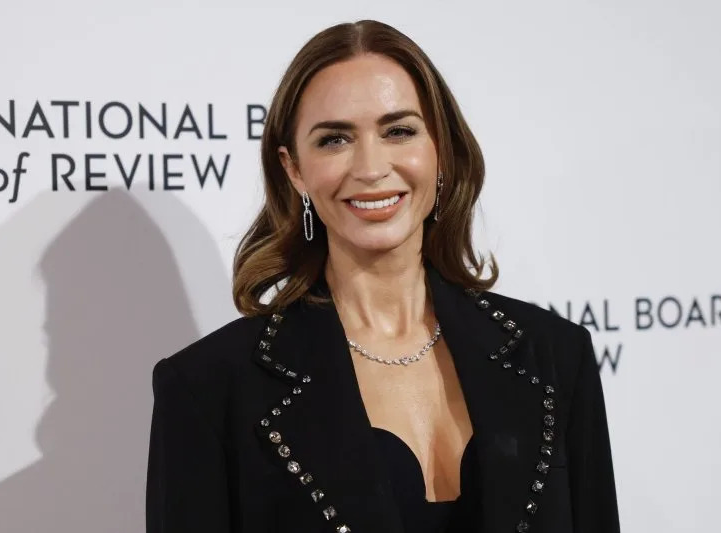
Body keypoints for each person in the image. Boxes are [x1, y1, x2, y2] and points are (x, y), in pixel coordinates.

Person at [145, 19, 620, 533]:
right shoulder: (209, 389)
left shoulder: (554, 355)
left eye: (398, 131)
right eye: (334, 140)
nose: (371, 167)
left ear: (440, 149)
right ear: (294, 169)